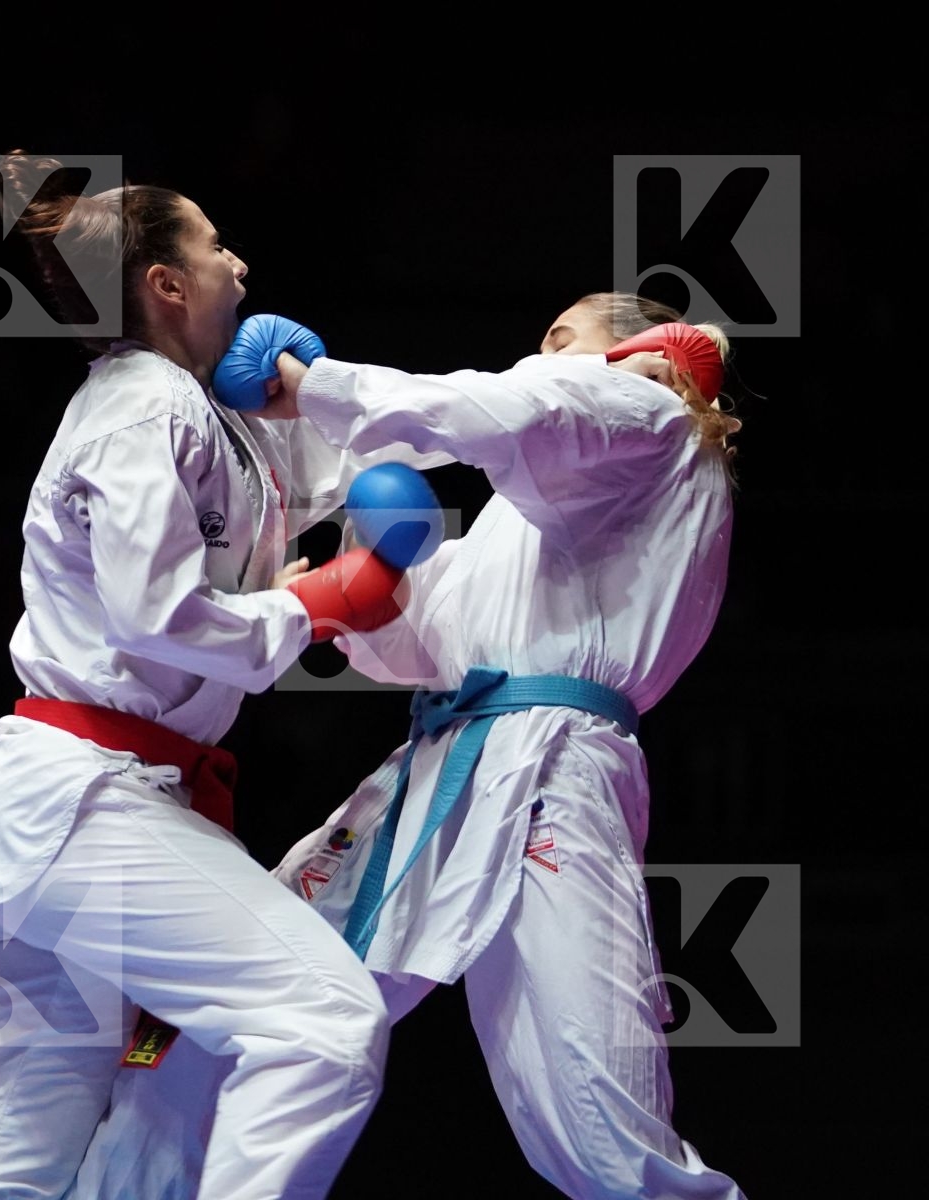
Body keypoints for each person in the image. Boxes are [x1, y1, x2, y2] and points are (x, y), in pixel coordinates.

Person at [0, 152, 458, 1199]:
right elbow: (154, 618)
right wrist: (315, 602)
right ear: (165, 284)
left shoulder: (206, 422)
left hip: (73, 817)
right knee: (322, 1022)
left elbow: (373, 447)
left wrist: (550, 400)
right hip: (87, 803)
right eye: (215, 248)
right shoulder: (142, 405)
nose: (240, 266)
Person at [65, 293, 749, 1199]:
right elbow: (424, 642)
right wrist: (373, 574)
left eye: (561, 334)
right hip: (440, 765)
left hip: (552, 776)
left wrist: (316, 388)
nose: (542, 348)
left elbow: (508, 407)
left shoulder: (651, 417)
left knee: (598, 1123)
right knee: (230, 1006)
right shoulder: (545, 506)